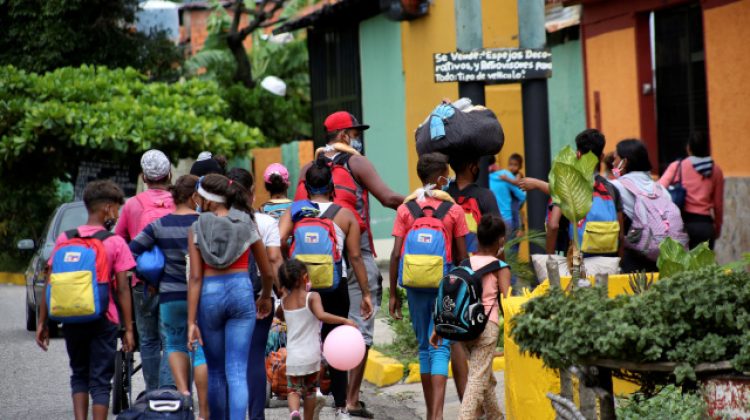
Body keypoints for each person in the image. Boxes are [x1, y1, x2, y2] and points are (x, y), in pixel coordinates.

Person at [294, 111, 404, 418]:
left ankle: (315, 388)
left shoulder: (307, 167)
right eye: (355, 132)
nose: (358, 138)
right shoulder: (356, 162)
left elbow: (297, 211)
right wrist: (420, 199)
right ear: (344, 136)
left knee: (317, 325)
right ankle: (351, 399)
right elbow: (387, 198)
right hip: (355, 251)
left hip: (312, 260)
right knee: (359, 322)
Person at [281, 157, 375, 420]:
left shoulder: (296, 211)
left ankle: (304, 397)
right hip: (335, 286)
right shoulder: (344, 215)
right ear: (332, 187)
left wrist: (288, 266)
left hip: (302, 286)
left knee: (306, 337)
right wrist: (366, 294)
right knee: (336, 341)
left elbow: (278, 240)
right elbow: (355, 257)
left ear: (306, 187)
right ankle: (341, 407)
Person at [36, 180, 135, 420]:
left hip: (71, 318)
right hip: (105, 319)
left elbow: (51, 282)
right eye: (117, 209)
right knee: (101, 380)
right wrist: (129, 328)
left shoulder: (64, 239)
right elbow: (122, 289)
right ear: (109, 209)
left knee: (79, 374)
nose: (118, 214)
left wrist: (42, 322)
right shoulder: (114, 242)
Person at [187, 174, 274, 419]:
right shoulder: (246, 222)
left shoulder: (196, 227)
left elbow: (194, 278)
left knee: (215, 371)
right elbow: (266, 271)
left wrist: (191, 322)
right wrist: (266, 297)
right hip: (241, 292)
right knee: (237, 370)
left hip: (209, 295)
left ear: (208, 199)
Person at [390, 152, 469, 420]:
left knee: (424, 345)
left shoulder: (406, 209)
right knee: (442, 345)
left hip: (413, 285)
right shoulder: (454, 210)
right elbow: (461, 256)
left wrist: (393, 294)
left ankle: (431, 413)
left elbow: (395, 254)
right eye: (447, 174)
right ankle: (436, 415)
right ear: (439, 178)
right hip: (443, 284)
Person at [128, 175, 209, 420]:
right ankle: (204, 409)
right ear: (195, 196)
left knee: (174, 344)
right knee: (201, 349)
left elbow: (131, 253)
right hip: (203, 295)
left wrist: (151, 278)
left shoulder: (159, 225)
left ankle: (183, 396)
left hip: (169, 295)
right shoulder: (205, 223)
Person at [431, 214, 511, 420]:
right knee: (477, 377)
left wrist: (436, 329)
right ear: (501, 240)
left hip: (463, 328)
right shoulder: (501, 268)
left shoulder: (465, 263)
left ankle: (495, 416)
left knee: (486, 377)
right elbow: (506, 301)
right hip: (487, 328)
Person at [226, 167, 284, 420]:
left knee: (230, 359)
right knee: (254, 356)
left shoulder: (215, 221)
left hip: (226, 295)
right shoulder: (265, 222)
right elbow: (273, 260)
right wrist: (273, 294)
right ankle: (256, 415)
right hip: (259, 294)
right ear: (251, 193)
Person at [115, 149, 175, 390]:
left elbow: (119, 242)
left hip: (142, 283)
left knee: (148, 340)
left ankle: (153, 394)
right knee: (170, 339)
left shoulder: (132, 205)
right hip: (173, 281)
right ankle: (169, 394)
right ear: (169, 174)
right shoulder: (178, 202)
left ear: (144, 177)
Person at [445, 154, 501, 401]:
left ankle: (467, 398)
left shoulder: (445, 195)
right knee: (483, 341)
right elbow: (499, 236)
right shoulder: (485, 196)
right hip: (482, 276)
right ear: (471, 165)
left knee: (456, 339)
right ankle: (472, 405)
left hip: (454, 275)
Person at [278, 260, 357, 420]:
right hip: (312, 355)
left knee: (293, 390)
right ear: (305, 277)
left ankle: (294, 413)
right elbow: (322, 316)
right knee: (310, 391)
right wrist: (344, 320)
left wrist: (284, 296)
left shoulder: (284, 302)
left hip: (293, 356)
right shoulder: (312, 297)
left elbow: (279, 315)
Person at [546, 129, 624, 259]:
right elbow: (620, 235)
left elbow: (553, 225)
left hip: (577, 261)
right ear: (602, 157)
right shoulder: (611, 189)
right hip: (608, 261)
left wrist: (549, 258)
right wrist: (618, 264)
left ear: (578, 155)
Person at [610, 139, 672, 272]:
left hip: (632, 258)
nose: (613, 163)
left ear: (624, 162)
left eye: (615, 159)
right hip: (660, 257)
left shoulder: (616, 187)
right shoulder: (662, 190)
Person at [659, 132, 724, 249]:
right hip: (705, 225)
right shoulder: (716, 170)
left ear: (688, 148)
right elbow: (718, 204)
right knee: (704, 266)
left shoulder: (678, 166)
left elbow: (659, 189)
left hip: (682, 225)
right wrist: (717, 227)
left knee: (683, 266)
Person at [488, 156, 526, 237]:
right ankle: (520, 228)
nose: (512, 167)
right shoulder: (504, 174)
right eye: (510, 165)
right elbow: (522, 196)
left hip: (492, 221)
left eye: (515, 165)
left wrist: (507, 179)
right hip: (507, 218)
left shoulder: (515, 175)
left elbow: (518, 183)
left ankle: (521, 228)